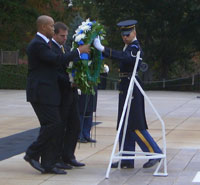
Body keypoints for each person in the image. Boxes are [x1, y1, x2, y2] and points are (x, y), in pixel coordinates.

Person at [24, 15, 90, 174]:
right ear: (43, 27)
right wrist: (78, 51)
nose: (53, 29)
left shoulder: (42, 43)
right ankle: (32, 153)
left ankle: (48, 163)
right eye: (52, 26)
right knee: (53, 124)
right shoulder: (37, 45)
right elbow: (56, 60)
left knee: (53, 125)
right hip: (41, 92)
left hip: (48, 93)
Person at [93, 20, 162, 168]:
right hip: (126, 86)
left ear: (134, 33)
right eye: (123, 35)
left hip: (132, 87)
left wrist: (103, 49)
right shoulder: (128, 46)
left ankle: (154, 152)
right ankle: (126, 158)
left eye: (128, 34)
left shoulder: (135, 47)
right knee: (124, 124)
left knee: (135, 124)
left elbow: (126, 58)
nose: (125, 37)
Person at [51, 22, 85, 168]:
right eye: (62, 36)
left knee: (75, 125)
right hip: (60, 93)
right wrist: (69, 83)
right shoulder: (51, 48)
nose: (65, 38)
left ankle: (68, 155)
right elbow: (55, 73)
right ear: (54, 34)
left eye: (66, 36)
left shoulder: (63, 48)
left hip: (70, 94)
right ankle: (57, 157)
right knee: (61, 127)